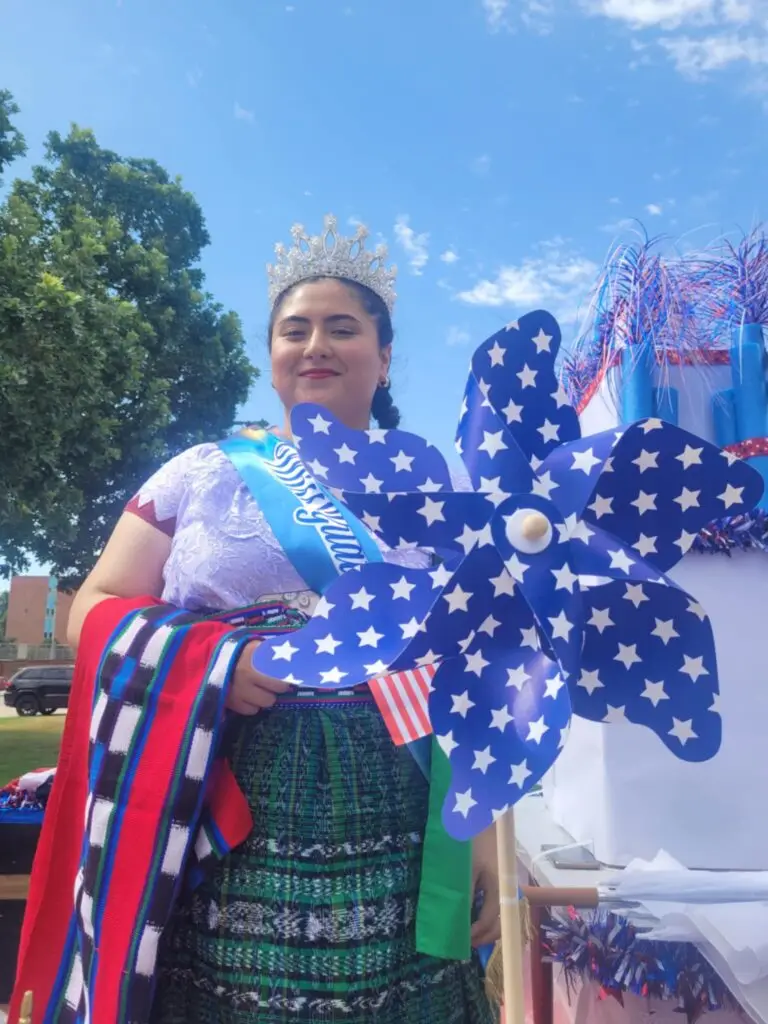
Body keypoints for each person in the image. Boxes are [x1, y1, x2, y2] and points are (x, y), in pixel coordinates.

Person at [23, 216, 500, 1024]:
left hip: (405, 804)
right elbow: (94, 609)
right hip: (218, 792)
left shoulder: (437, 488)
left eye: (342, 328)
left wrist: (483, 829)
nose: (316, 343)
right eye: (295, 329)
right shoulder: (201, 472)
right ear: (273, 358)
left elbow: (476, 664)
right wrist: (210, 658)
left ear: (383, 359)